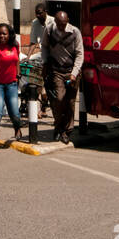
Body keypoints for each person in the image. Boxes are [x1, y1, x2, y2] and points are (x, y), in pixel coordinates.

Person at [41, 11, 84, 145]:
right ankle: (58, 126)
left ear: (68, 21)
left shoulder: (75, 32)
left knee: (70, 103)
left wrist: (74, 73)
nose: (61, 27)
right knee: (59, 99)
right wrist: (45, 62)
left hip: (71, 71)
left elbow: (79, 54)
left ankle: (67, 131)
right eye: (59, 24)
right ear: (55, 22)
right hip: (56, 71)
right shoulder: (49, 29)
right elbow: (44, 47)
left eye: (63, 24)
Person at [0, 23, 23, 149]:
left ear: (9, 35)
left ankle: (17, 128)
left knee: (15, 113)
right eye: (0, 33)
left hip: (12, 84)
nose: (2, 36)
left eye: (4, 33)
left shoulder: (15, 46)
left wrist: (18, 75)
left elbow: (17, 60)